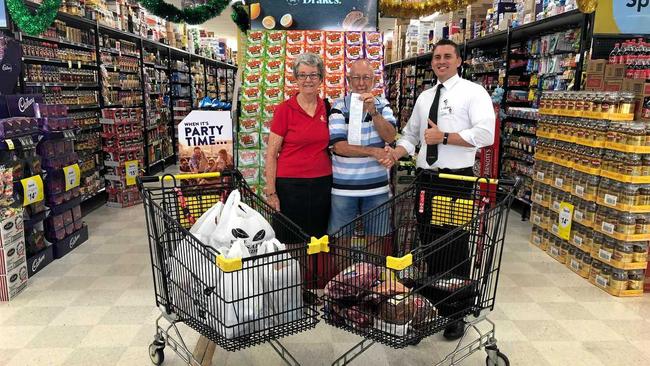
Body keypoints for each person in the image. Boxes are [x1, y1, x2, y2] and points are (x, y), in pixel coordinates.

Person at [384, 39, 495, 341]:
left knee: (454, 245)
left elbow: (485, 134)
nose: (441, 61)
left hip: (455, 182)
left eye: (447, 56)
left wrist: (443, 137)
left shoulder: (474, 93)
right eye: (436, 57)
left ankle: (456, 311)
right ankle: (434, 303)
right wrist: (396, 152)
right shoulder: (424, 97)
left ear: (459, 60)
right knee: (429, 243)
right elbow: (410, 135)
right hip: (426, 181)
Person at [265, 53, 332, 289]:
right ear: (295, 78)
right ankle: (291, 287)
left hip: (322, 184)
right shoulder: (285, 110)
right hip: (290, 185)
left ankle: (311, 284)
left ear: (321, 78)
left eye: (313, 75)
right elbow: (272, 153)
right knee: (290, 239)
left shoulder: (329, 108)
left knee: (317, 237)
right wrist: (271, 192)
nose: (308, 80)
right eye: (302, 75)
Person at [327, 59, 396, 240]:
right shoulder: (339, 105)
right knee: (341, 241)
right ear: (348, 81)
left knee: (377, 239)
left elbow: (390, 136)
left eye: (366, 78)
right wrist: (373, 151)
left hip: (377, 189)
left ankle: (371, 270)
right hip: (344, 188)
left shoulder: (383, 104)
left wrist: (373, 111)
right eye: (356, 78)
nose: (361, 83)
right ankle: (346, 271)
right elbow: (339, 147)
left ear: (374, 80)